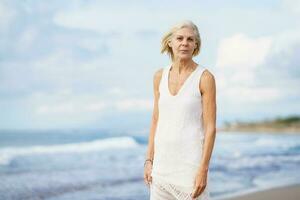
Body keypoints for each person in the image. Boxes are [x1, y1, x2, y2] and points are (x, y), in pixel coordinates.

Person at [143, 20, 217, 200]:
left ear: (195, 45)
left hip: (190, 169)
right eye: (180, 38)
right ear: (170, 42)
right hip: (161, 169)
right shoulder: (159, 76)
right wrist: (148, 160)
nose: (185, 43)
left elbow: (210, 128)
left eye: (190, 40)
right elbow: (155, 119)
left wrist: (203, 169)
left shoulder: (205, 78)